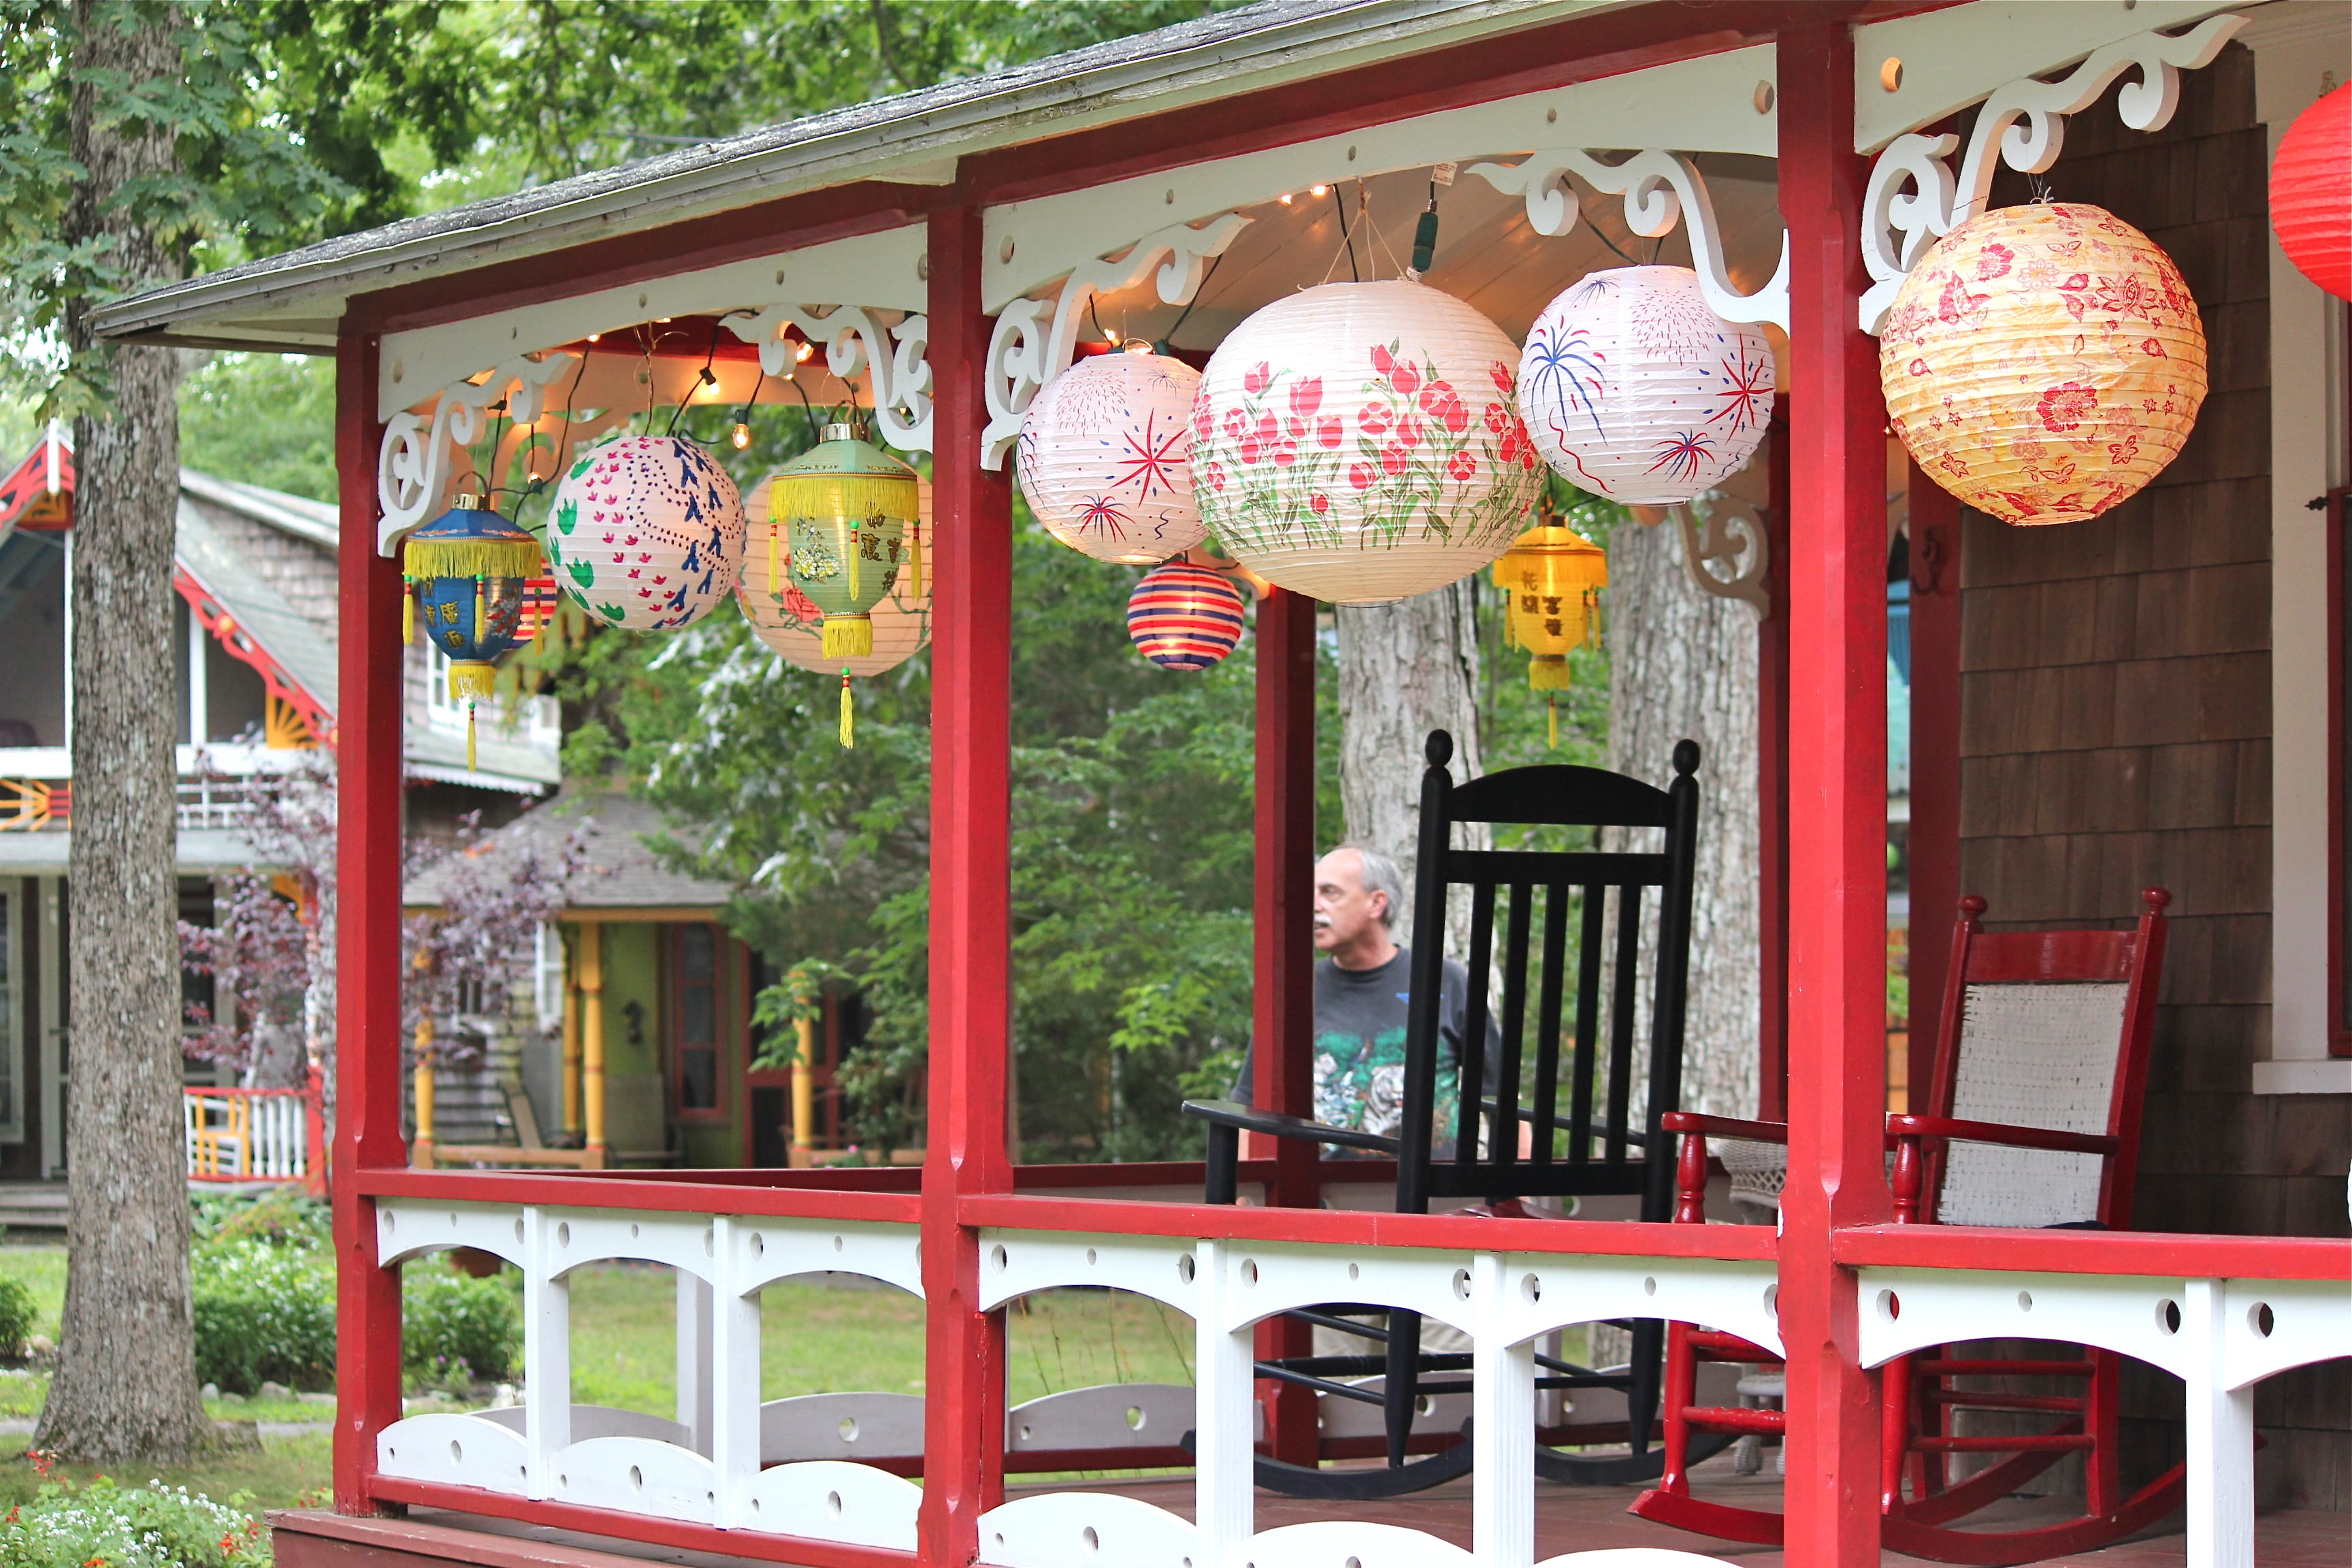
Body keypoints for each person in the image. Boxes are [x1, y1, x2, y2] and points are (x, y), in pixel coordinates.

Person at [1231, 843, 1499, 1155]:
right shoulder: (1293, 993)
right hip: (1323, 1186)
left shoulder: (1445, 982)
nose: (1313, 905)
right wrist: (1246, 1185)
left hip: (1431, 1185)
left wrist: (1517, 1184)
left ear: (1376, 903)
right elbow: (1249, 1108)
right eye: (1310, 893)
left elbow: (1503, 1100)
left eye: (1330, 893)